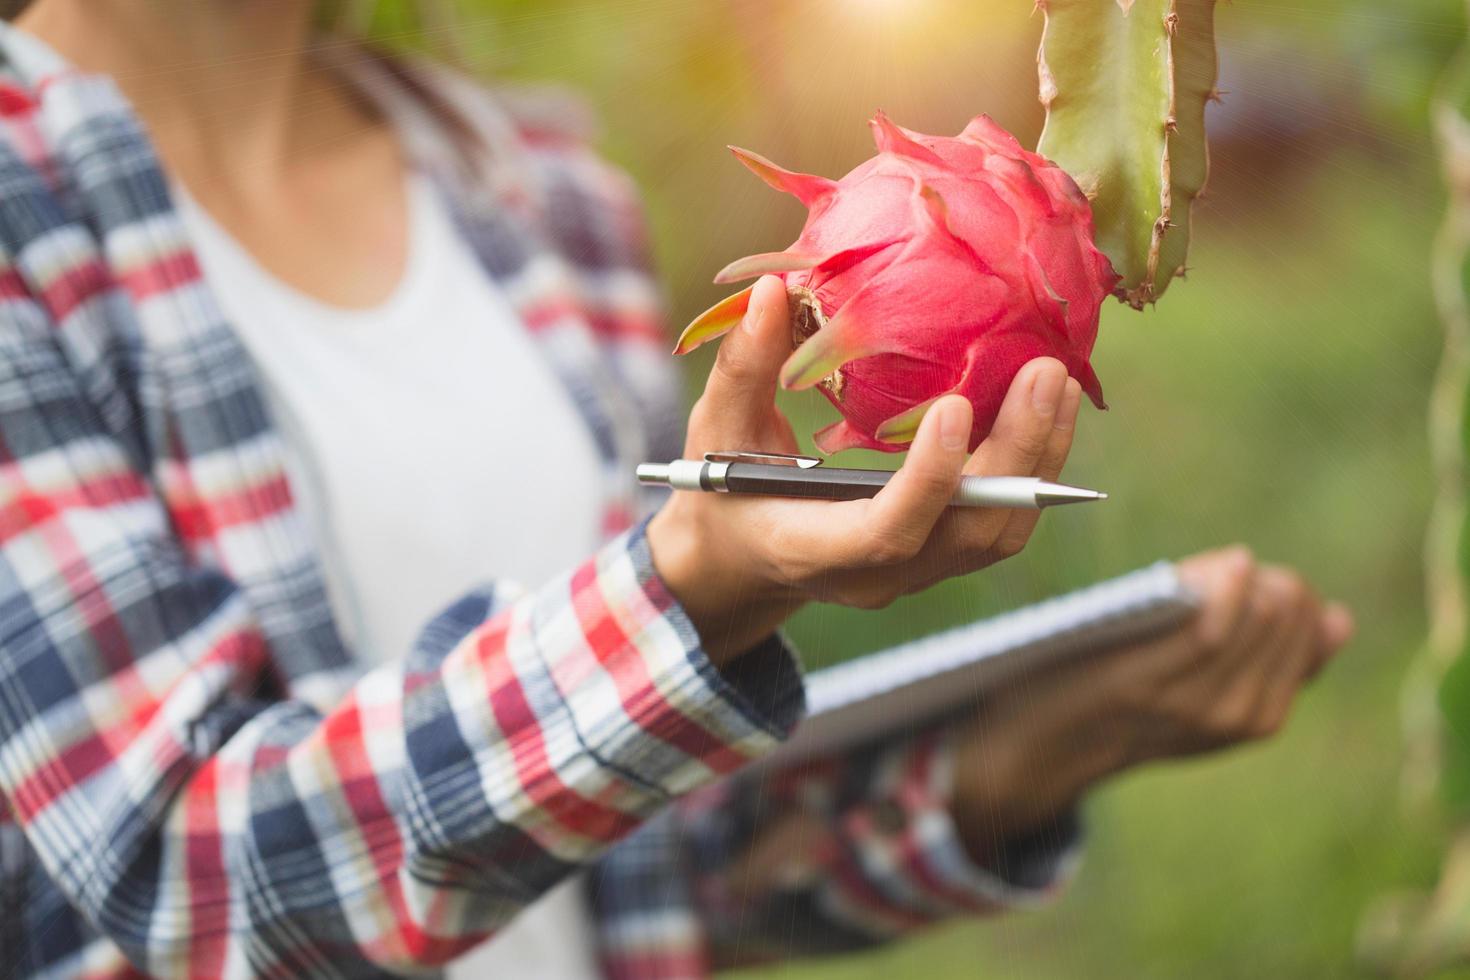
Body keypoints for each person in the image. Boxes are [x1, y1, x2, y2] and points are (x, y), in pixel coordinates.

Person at [0, 3, 1354, 978]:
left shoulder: (534, 185)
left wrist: (1030, 755)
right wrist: (683, 601)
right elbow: (170, 872)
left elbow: (638, 865)